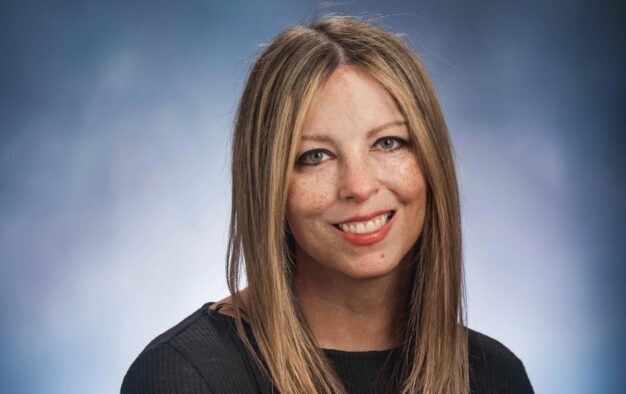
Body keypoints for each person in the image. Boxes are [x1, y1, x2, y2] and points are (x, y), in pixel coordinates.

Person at [121, 15, 534, 394]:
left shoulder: (494, 376)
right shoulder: (183, 376)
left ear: (430, 162)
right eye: (315, 156)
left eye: (388, 143)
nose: (359, 186)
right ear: (269, 188)